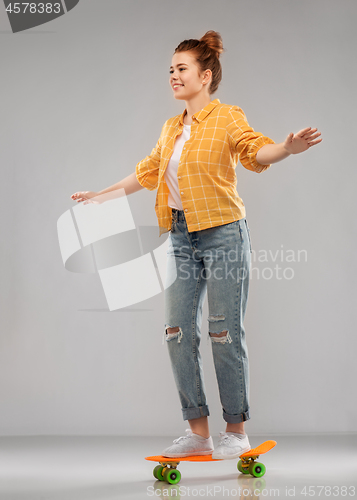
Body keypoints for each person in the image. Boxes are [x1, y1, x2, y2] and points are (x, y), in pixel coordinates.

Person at [71, 31, 322, 460]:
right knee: (176, 332)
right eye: (170, 69)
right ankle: (198, 432)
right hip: (181, 236)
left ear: (205, 76)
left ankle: (236, 431)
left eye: (181, 68)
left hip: (224, 233)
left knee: (224, 333)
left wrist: (286, 148)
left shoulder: (227, 117)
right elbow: (146, 173)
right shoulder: (171, 128)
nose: (173, 75)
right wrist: (99, 195)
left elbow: (254, 150)